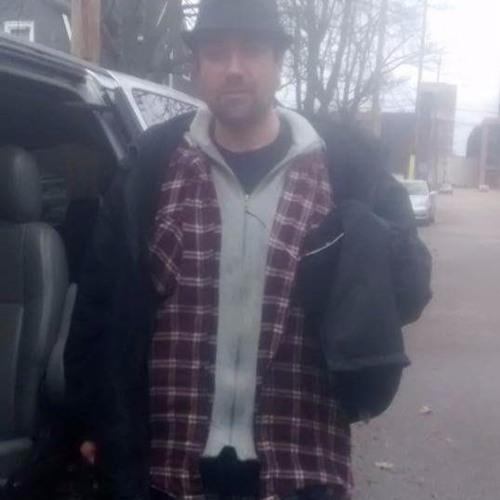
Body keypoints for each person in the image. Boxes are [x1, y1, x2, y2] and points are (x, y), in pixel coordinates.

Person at [64, 0, 431, 499]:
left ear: (279, 63)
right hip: (170, 470)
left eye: (252, 50)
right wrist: (89, 418)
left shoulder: (345, 167)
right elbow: (100, 298)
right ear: (197, 68)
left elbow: (409, 292)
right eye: (216, 53)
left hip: (301, 467)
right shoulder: (153, 165)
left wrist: (372, 242)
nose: (234, 68)